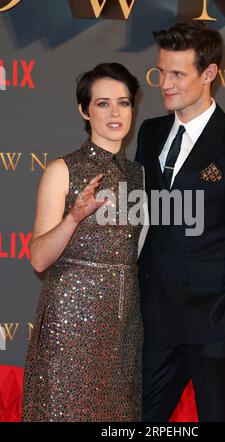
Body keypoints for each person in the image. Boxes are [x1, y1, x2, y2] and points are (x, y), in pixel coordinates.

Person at [135, 22, 225, 422]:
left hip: (214, 323)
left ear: (209, 73)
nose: (164, 83)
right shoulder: (150, 132)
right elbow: (145, 221)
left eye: (177, 74)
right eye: (161, 71)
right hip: (156, 321)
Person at [22, 63, 144, 422]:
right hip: (71, 325)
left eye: (123, 102)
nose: (115, 113)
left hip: (124, 328)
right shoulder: (62, 170)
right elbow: (39, 259)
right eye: (103, 103)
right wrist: (73, 218)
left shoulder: (138, 175)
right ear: (84, 110)